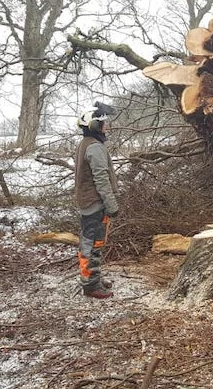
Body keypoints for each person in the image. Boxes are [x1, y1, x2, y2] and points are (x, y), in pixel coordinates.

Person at [74, 102, 120, 298]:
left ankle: (93, 277)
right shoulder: (95, 147)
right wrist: (111, 204)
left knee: (91, 243)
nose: (106, 126)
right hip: (95, 203)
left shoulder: (85, 144)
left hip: (88, 202)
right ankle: (91, 285)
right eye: (103, 122)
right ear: (94, 126)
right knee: (93, 244)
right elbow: (101, 178)